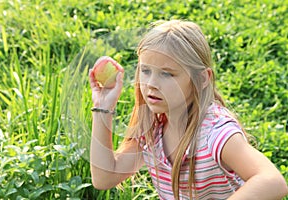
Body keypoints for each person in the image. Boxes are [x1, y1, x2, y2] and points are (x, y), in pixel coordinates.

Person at [88, 20, 288, 199]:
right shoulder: (153, 129)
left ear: (201, 79)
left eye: (167, 74)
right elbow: (104, 178)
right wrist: (102, 107)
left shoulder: (215, 133)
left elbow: (272, 181)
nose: (151, 84)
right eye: (146, 71)